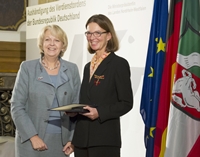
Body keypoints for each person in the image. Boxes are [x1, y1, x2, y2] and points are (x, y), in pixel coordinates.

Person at [11, 24, 81, 157]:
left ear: (63, 45)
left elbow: (77, 107)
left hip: (61, 144)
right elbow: (16, 106)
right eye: (47, 39)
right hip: (31, 142)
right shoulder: (27, 68)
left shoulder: (72, 69)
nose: (52, 44)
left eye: (57, 40)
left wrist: (72, 139)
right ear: (42, 43)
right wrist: (33, 136)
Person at [72, 14, 133, 157]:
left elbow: (126, 103)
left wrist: (99, 113)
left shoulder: (119, 64)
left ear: (109, 35)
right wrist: (74, 112)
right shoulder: (88, 67)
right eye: (89, 33)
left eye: (98, 33)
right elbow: (86, 100)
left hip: (104, 140)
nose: (92, 37)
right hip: (81, 141)